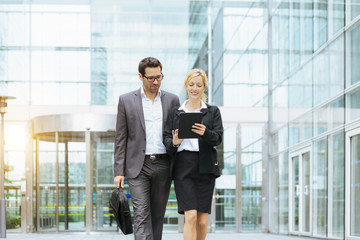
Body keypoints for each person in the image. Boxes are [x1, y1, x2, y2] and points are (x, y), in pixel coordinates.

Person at [114, 57, 180, 240]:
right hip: (138, 166)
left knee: (158, 216)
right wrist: (118, 170)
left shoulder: (172, 100)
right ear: (140, 76)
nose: (156, 82)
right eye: (151, 78)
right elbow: (121, 137)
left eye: (159, 77)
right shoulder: (126, 100)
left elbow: (176, 133)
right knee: (142, 214)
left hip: (164, 165)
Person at [163, 68, 223, 240]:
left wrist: (205, 132)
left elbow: (217, 138)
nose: (194, 88)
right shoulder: (176, 112)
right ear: (186, 86)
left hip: (206, 166)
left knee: (202, 222)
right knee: (190, 216)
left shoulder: (212, 111)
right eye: (191, 84)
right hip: (183, 166)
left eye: (198, 85)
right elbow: (167, 139)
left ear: (204, 86)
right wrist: (174, 142)